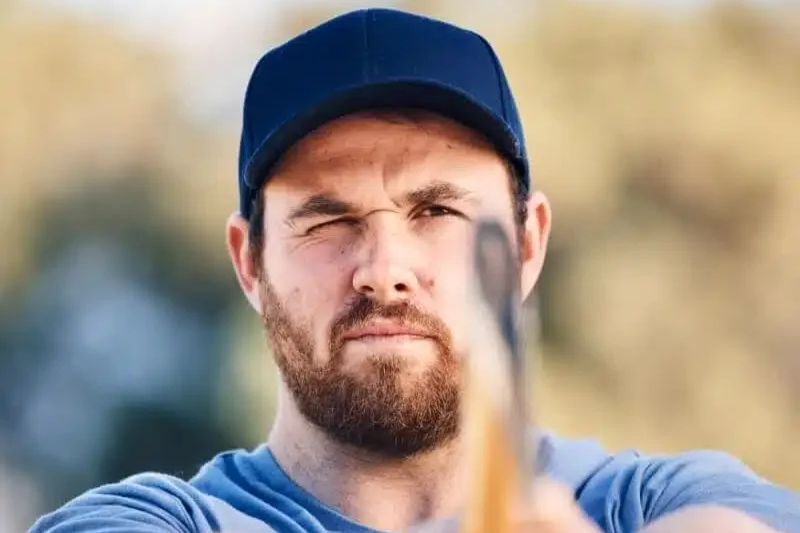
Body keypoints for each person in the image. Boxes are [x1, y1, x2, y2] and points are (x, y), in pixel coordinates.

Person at [28, 7, 800, 533]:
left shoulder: (658, 504)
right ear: (250, 261)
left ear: (527, 245)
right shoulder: (157, 520)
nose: (384, 268)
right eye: (330, 220)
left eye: (437, 212)